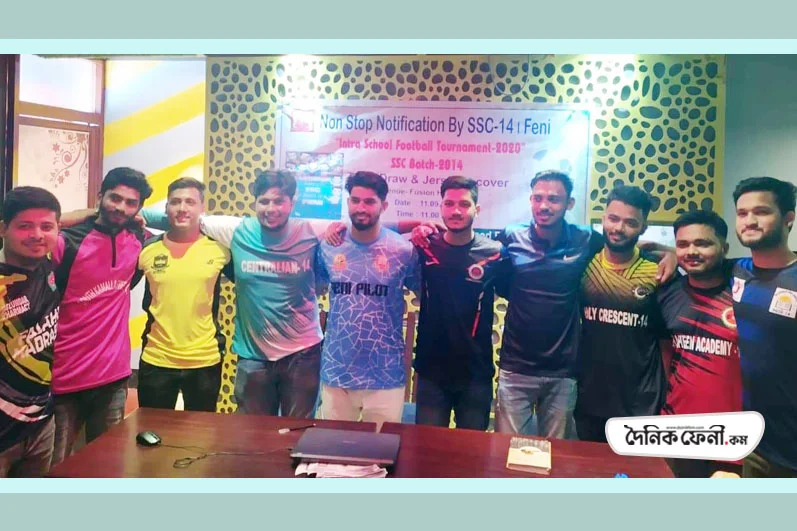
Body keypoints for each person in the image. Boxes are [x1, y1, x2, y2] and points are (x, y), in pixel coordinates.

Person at [412, 170, 676, 440]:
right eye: (538, 198)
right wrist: (421, 228)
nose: (544, 205)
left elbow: (622, 241)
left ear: (569, 204)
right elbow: (467, 248)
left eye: (554, 199)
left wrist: (671, 253)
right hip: (515, 368)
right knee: (508, 452)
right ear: (530, 200)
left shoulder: (585, 239)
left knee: (555, 454)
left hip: (563, 372)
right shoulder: (511, 237)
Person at [51, 167, 152, 465]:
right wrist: (77, 215)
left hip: (113, 377)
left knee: (105, 465)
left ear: (139, 209)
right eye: (114, 198)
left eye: (131, 203)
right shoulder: (67, 241)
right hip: (63, 378)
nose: (121, 207)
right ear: (100, 196)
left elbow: (180, 225)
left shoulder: (139, 239)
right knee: (55, 467)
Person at [316, 171, 421, 428]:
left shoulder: (403, 251)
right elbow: (315, 289)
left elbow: (424, 295)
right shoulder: (329, 247)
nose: (361, 208)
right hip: (337, 372)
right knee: (334, 448)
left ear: (383, 206)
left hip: (385, 375)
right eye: (355, 200)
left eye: (369, 201)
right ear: (348, 202)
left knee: (383, 450)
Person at [412, 176, 507, 430]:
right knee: (428, 449)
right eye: (449, 203)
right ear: (441, 207)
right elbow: (382, 234)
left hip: (476, 374)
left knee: (473, 452)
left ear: (477, 209)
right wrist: (416, 227)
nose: (456, 211)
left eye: (464, 204)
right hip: (431, 371)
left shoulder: (495, 253)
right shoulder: (424, 246)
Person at [574, 185, 667, 443]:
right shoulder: (584, 261)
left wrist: (673, 255)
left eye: (630, 223)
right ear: (603, 218)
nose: (619, 228)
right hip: (588, 395)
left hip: (640, 401)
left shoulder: (657, 272)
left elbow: (667, 340)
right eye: (613, 219)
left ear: (644, 227)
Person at [656, 209, 742, 477]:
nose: (691, 251)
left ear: (724, 248)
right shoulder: (667, 293)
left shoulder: (746, 291)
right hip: (677, 430)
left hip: (734, 435)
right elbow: (666, 355)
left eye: (702, 243)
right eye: (682, 244)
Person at [136, 178, 231, 411]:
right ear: (166, 207)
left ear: (202, 208)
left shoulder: (220, 250)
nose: (182, 208)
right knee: (152, 430)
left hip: (205, 360)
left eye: (190, 202)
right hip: (156, 358)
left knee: (200, 432)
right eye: (175, 202)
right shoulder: (147, 249)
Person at [731, 176, 797, 478]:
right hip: (757, 444)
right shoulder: (736, 270)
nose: (750, 221)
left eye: (762, 211)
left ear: (788, 218)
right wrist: (667, 253)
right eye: (742, 213)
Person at [0, 187, 61, 477]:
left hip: (41, 423)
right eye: (25, 226)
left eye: (46, 227)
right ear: (3, 229)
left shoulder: (47, 266)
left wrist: (96, 211)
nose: (37, 235)